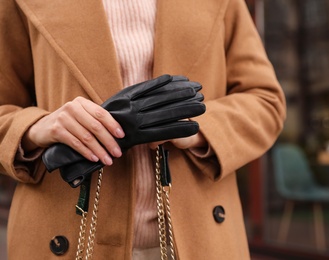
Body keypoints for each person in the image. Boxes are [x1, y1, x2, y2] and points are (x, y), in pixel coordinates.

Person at [0, 0, 286, 259]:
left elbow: (265, 100)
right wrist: (36, 127)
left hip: (200, 239)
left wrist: (194, 128)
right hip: (64, 237)